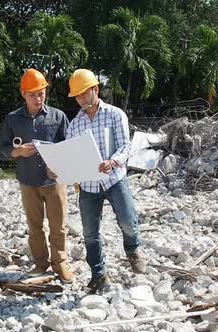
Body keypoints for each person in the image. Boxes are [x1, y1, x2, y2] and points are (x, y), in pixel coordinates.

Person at [56, 68, 146, 293]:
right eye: (77, 96)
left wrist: (112, 161)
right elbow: (70, 154)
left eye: (84, 93)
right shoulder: (75, 124)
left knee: (127, 221)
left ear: (95, 90)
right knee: (89, 232)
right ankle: (98, 274)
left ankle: (132, 249)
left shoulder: (115, 114)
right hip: (88, 185)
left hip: (114, 179)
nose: (80, 99)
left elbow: (125, 145)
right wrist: (60, 169)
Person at [1, 68, 73, 283]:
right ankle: (40, 264)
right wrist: (18, 152)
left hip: (54, 182)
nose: (38, 98)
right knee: (35, 227)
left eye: (41, 93)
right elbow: (5, 148)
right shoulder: (13, 119)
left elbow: (69, 147)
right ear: (23, 94)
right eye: (33, 94)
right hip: (28, 181)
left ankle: (60, 265)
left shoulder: (57, 117)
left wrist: (61, 166)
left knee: (58, 226)